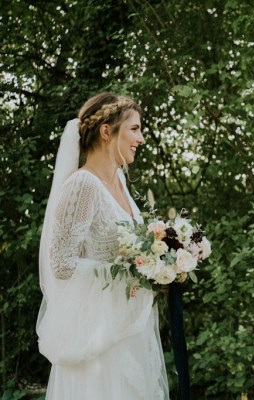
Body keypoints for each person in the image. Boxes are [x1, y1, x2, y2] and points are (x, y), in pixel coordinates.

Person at [36, 93, 169, 399]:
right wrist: (131, 272)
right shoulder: (83, 185)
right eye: (134, 129)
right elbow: (62, 264)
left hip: (128, 328)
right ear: (106, 132)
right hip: (96, 337)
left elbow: (134, 249)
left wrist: (159, 266)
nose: (141, 138)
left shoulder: (119, 180)